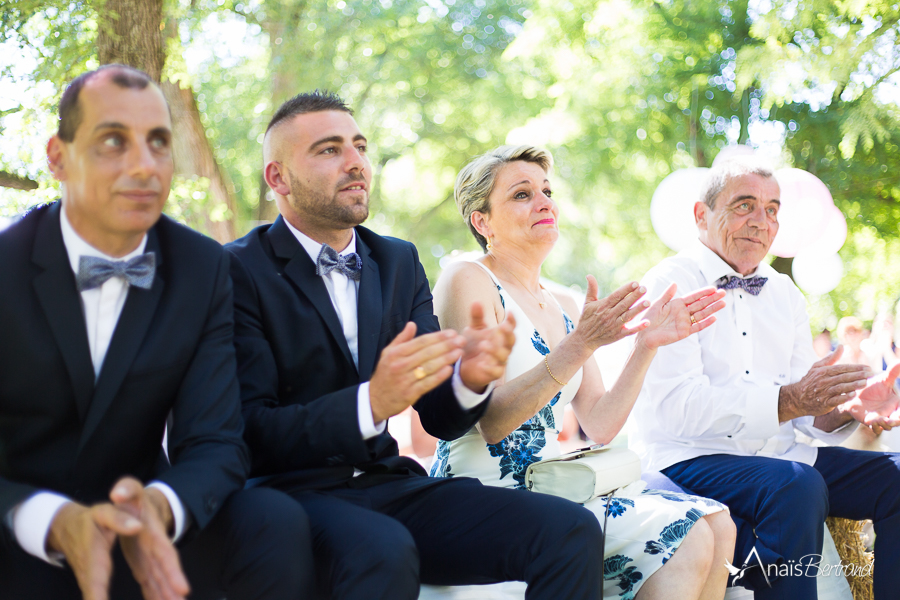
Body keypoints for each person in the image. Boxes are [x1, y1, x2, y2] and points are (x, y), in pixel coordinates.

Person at [225, 91, 606, 600]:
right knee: (381, 548)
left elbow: (442, 420)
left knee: (570, 530)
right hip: (285, 495)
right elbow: (247, 431)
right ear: (278, 179)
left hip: (388, 484)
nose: (356, 163)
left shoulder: (397, 261)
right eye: (329, 150)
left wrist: (469, 382)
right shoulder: (233, 269)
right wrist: (371, 404)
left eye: (359, 147)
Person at [0, 64, 313, 600]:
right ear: (58, 157)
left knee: (272, 521)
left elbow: (215, 441)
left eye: (159, 143)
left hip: (142, 526)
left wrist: (160, 510)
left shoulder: (202, 267)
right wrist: (50, 520)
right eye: (113, 141)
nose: (144, 166)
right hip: (18, 530)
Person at [429, 144, 736, 600]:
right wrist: (581, 344)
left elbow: (600, 423)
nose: (544, 201)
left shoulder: (566, 304)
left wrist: (645, 345)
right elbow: (491, 421)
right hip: (484, 489)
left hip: (557, 484)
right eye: (521, 194)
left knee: (718, 522)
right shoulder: (467, 279)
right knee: (689, 536)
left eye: (547, 191)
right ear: (482, 221)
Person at [632, 156, 900, 598]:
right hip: (689, 457)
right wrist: (791, 401)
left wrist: (844, 409)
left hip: (780, 455)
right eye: (744, 205)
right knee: (795, 484)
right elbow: (677, 410)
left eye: (772, 209)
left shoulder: (784, 292)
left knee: (894, 476)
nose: (762, 222)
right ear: (702, 214)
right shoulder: (669, 283)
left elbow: (802, 413)